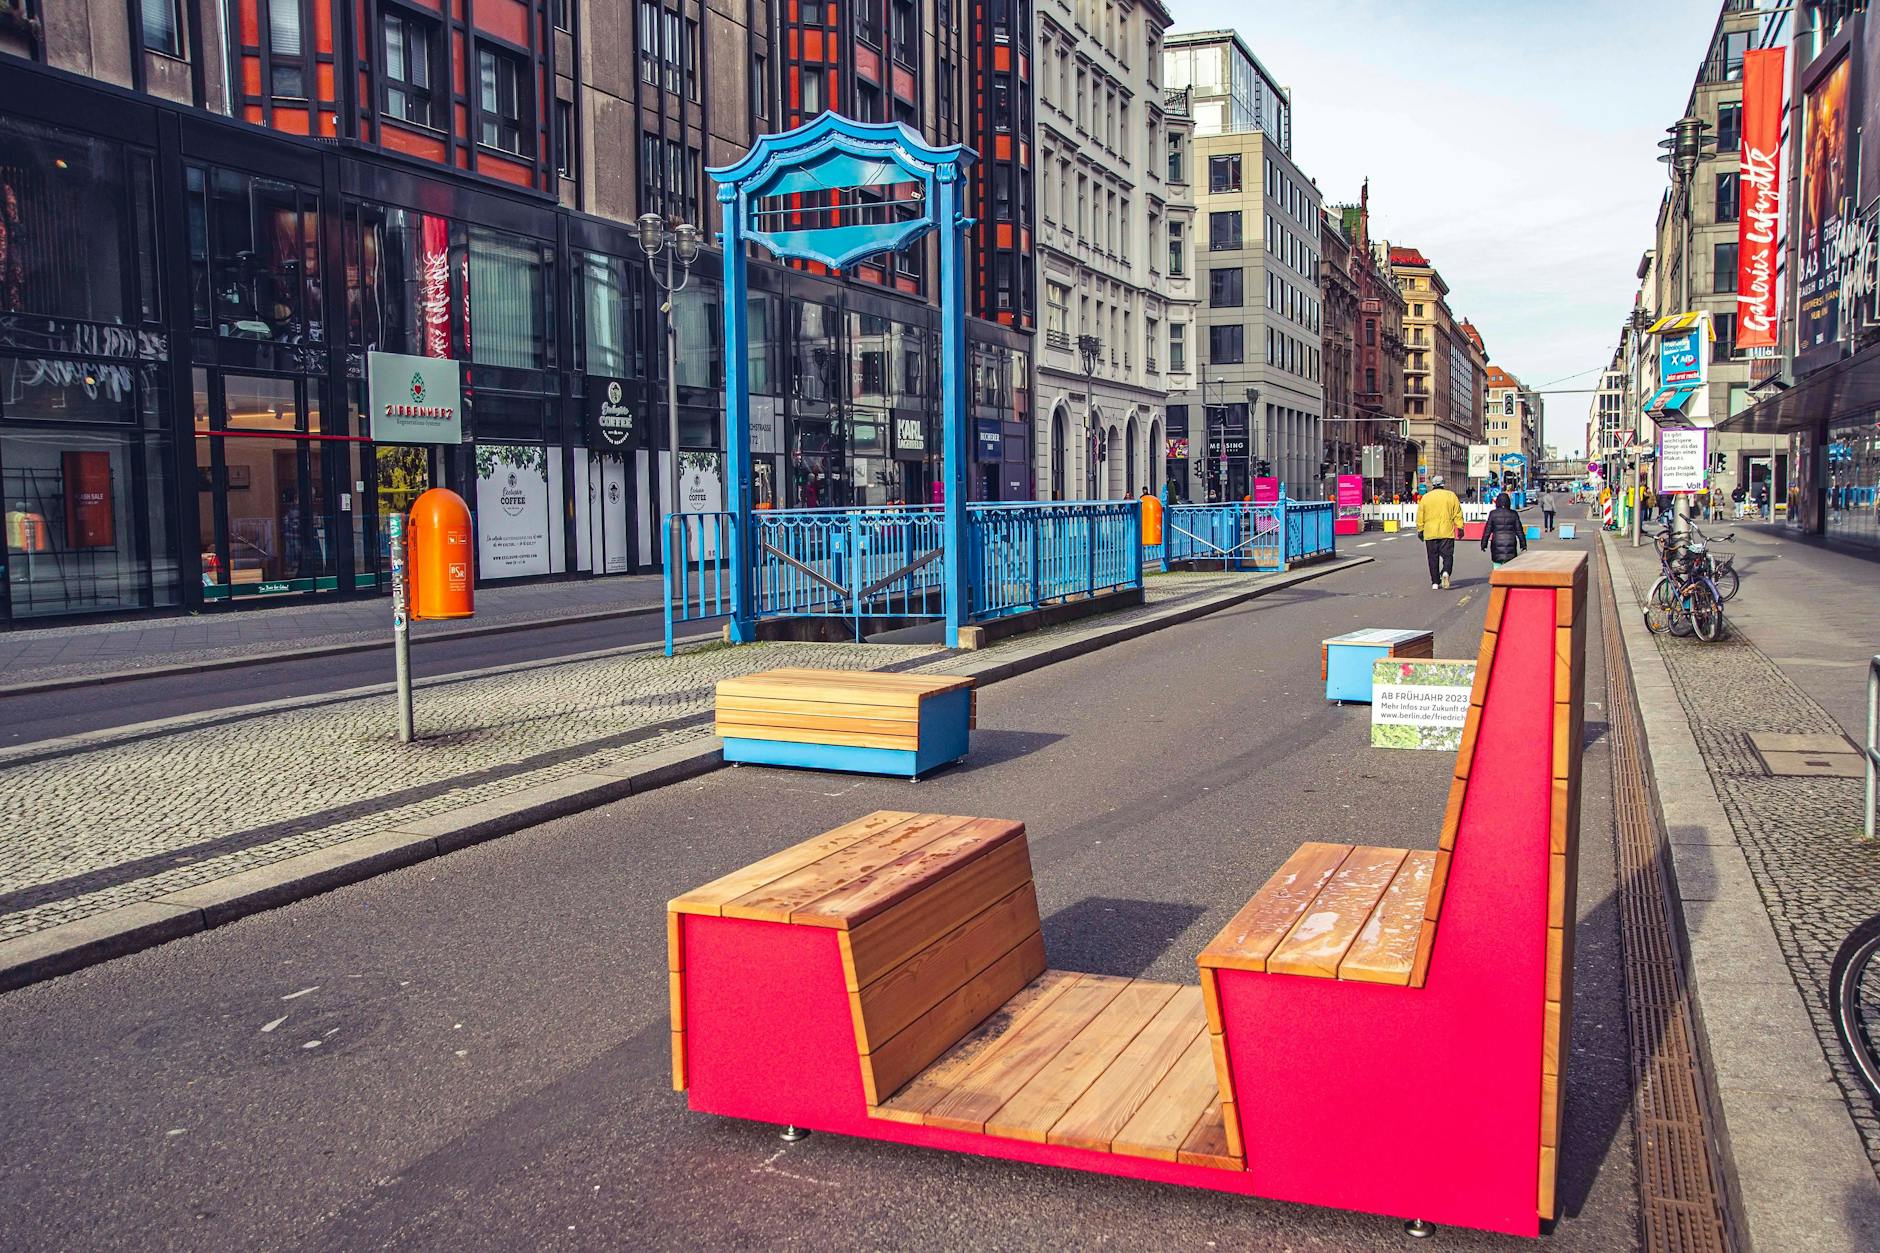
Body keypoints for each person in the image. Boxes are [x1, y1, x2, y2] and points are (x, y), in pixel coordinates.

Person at [1415, 474, 1464, 590]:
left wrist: (1420, 530)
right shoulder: (1451, 496)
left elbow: (1420, 515)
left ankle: (1435, 582)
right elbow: (1457, 513)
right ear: (1443, 484)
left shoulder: (1426, 497)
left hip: (1430, 532)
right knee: (1448, 556)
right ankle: (1446, 572)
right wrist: (1460, 527)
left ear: (1433, 485)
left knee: (1432, 557)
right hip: (1446, 531)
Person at [1481, 491, 1528, 568]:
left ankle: (1497, 578)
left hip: (1497, 543)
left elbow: (1487, 531)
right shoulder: (1513, 514)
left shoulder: (1493, 514)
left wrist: (1483, 544)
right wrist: (1523, 544)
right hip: (1511, 543)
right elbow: (1519, 531)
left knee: (1497, 565)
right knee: (1510, 567)